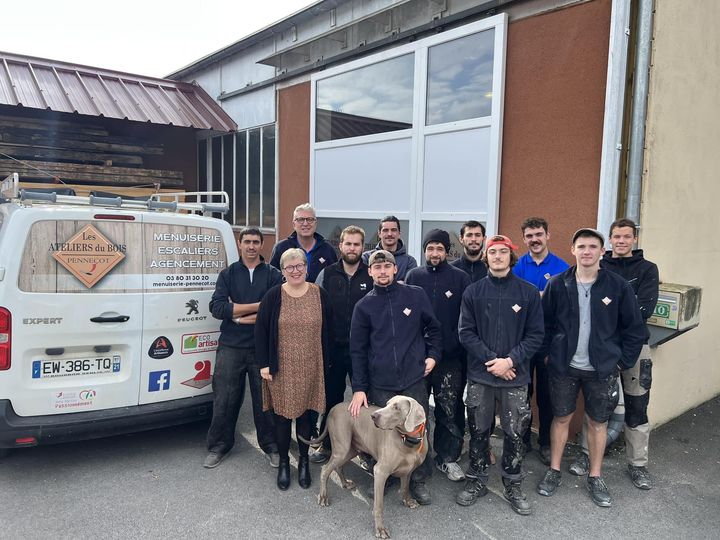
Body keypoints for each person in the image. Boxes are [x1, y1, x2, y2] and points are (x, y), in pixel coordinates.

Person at [537, 228, 645, 508]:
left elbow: (634, 329)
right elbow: (544, 325)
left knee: (598, 423)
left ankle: (595, 476)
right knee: (561, 418)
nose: (587, 251)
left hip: (602, 368)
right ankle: (554, 470)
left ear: (602, 251)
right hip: (564, 366)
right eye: (581, 246)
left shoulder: (617, 286)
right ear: (572, 250)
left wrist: (622, 361)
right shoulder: (558, 284)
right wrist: (549, 355)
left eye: (592, 247)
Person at [568, 218, 659, 490]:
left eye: (626, 237)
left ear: (634, 239)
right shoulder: (600, 266)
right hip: (601, 348)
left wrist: (611, 323)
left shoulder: (646, 270)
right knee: (596, 407)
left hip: (634, 347)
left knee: (637, 407)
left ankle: (638, 464)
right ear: (610, 240)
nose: (621, 241)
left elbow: (643, 311)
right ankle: (586, 456)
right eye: (617, 237)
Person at [456, 235, 544, 515]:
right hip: (481, 376)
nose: (497, 256)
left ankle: (513, 484)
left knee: (515, 432)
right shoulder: (473, 292)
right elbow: (465, 333)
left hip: (515, 378)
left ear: (511, 257)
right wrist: (494, 361)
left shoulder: (528, 292)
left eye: (502, 252)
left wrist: (510, 361)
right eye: (492, 252)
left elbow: (536, 335)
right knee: (479, 431)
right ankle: (477, 479)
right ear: (486, 257)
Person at [349, 250, 442, 505]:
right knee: (385, 433)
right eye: (376, 267)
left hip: (413, 381)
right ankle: (387, 475)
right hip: (382, 384)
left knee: (419, 430)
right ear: (369, 272)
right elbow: (356, 350)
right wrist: (359, 388)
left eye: (386, 266)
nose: (382, 271)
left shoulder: (415, 295)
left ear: (395, 269)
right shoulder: (364, 306)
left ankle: (419, 479)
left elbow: (434, 328)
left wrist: (433, 356)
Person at [204, 228, 283, 469]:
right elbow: (217, 308)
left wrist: (237, 313)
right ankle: (219, 446)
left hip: (262, 348)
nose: (251, 246)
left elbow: (276, 309)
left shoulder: (273, 275)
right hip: (231, 346)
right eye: (247, 241)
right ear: (240, 244)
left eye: (256, 242)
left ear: (262, 245)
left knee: (266, 401)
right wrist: (257, 307)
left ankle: (271, 446)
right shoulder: (227, 274)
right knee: (225, 399)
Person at [255, 248, 333, 491]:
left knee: (305, 417)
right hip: (282, 368)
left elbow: (329, 330)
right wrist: (265, 364)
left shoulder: (319, 294)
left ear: (306, 267)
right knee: (280, 418)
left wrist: (328, 363)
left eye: (299, 265)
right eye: (290, 267)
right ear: (283, 271)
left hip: (311, 366)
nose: (295, 270)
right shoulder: (273, 296)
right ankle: (284, 465)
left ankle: (304, 462)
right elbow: (261, 331)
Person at [406, 229, 471, 482]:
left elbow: (466, 319)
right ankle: (416, 458)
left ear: (447, 251)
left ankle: (447, 458)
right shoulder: (413, 275)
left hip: (449, 359)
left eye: (440, 249)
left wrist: (455, 347)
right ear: (424, 250)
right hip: (417, 359)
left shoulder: (460, 278)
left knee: (449, 410)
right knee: (416, 411)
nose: (435, 253)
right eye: (430, 248)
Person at [310, 225, 374, 464]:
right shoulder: (326, 274)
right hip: (334, 350)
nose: (352, 248)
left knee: (365, 400)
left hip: (364, 350)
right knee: (331, 399)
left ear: (362, 247)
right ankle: (326, 445)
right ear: (341, 246)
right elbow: (316, 312)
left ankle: (367, 450)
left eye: (357, 244)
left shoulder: (371, 275)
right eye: (348, 243)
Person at [512, 217, 569, 465]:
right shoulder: (516, 266)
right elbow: (512, 298)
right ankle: (522, 440)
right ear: (524, 239)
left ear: (548, 235)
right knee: (523, 392)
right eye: (529, 236)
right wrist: (542, 295)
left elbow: (565, 304)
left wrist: (532, 297)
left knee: (547, 395)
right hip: (521, 340)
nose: (534, 240)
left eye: (539, 234)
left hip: (549, 340)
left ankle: (545, 442)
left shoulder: (562, 267)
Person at [270, 203, 337, 282]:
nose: (305, 224)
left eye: (310, 219)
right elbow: (272, 280)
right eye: (300, 220)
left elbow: (334, 280)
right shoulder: (281, 248)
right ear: (294, 224)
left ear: (316, 223)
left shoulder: (327, 249)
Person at [361, 216, 417, 281]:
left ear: (399, 233)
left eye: (393, 230)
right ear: (379, 234)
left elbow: (409, 288)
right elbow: (364, 284)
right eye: (385, 230)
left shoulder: (409, 262)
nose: (389, 234)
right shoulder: (366, 258)